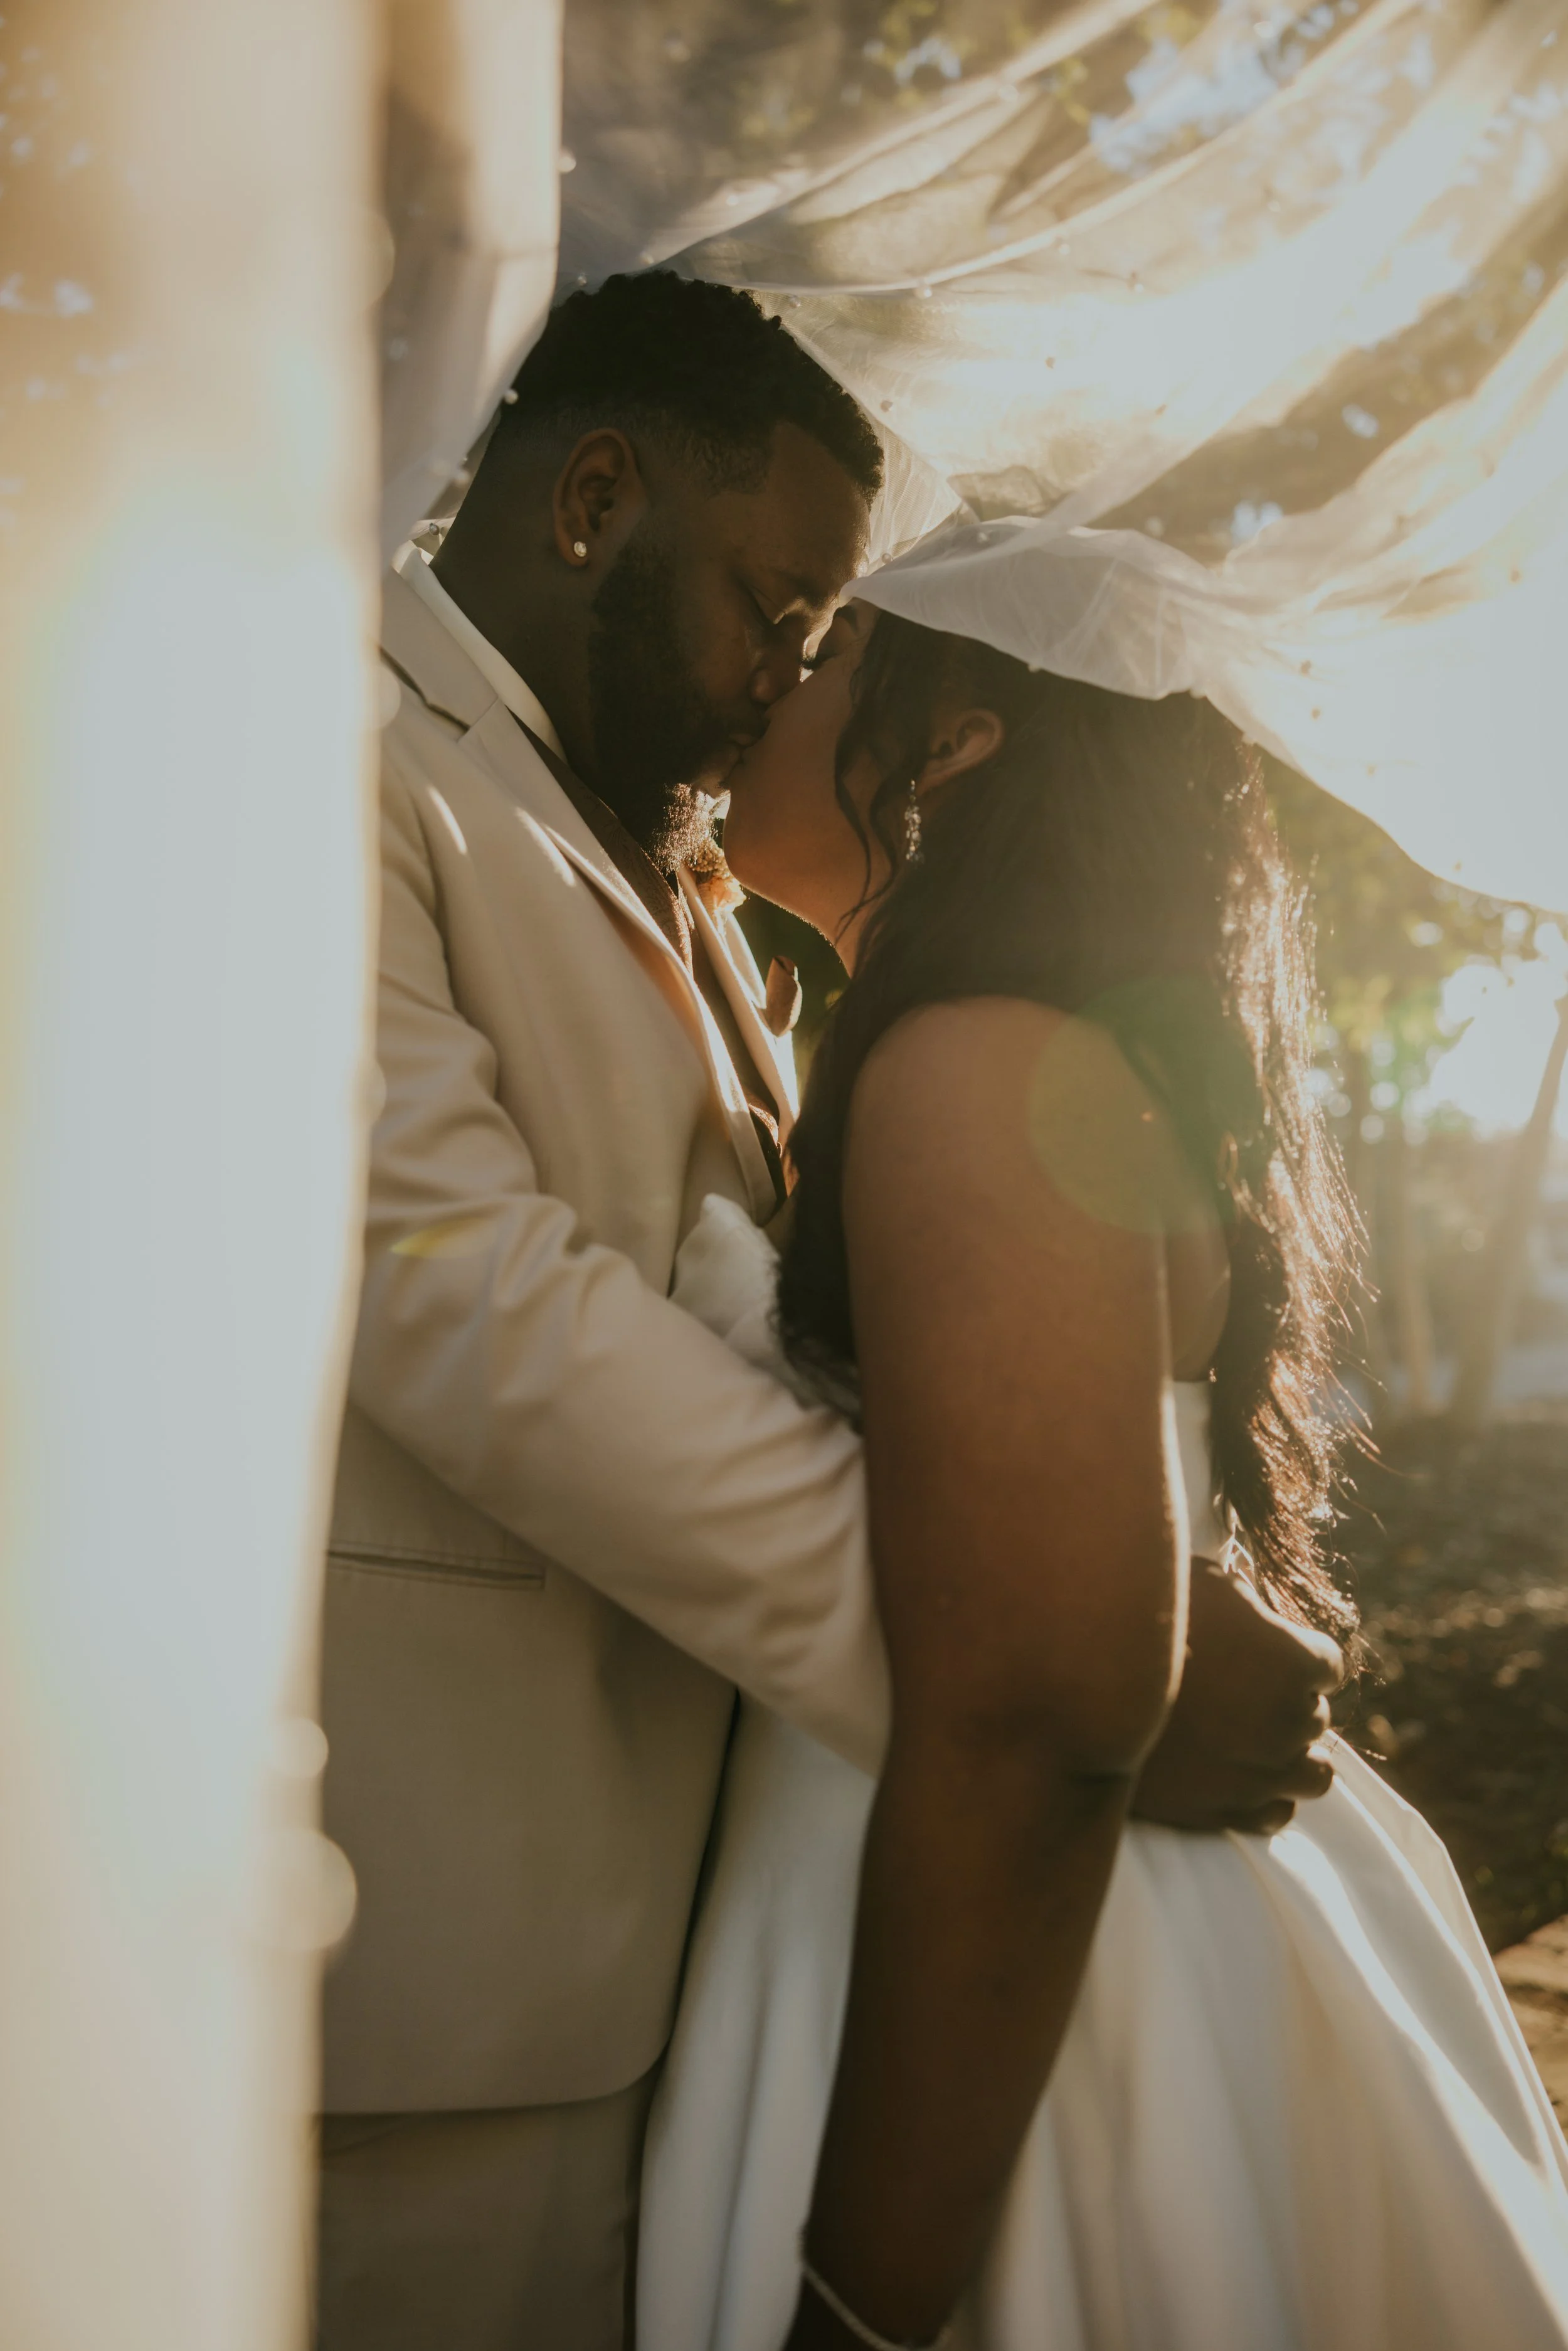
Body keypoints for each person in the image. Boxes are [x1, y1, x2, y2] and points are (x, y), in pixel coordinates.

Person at [316, 277, 1347, 2351]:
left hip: (683, 1952)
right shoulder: (321, 755)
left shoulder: (690, 875)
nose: (789, 681)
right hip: (427, 1997)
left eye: (823, 640)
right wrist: (1042, 1653)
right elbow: (463, 1297)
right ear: (594, 497)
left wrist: (1069, 1610)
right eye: (780, 611)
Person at [638, 561, 1568, 2351]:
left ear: (960, 735)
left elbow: (1041, 1723)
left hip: (1029, 1984)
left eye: (825, 646)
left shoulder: (985, 1064)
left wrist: (860, 2307)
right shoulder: (994, 1039)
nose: (764, 674)